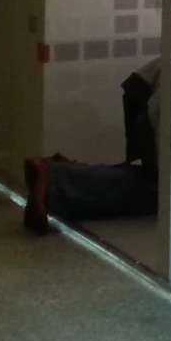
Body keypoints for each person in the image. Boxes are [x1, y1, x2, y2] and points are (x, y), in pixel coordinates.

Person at [22, 59, 159, 233]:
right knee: (160, 191)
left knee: (155, 178)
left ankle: (65, 174)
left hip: (145, 88)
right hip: (159, 100)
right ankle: (57, 181)